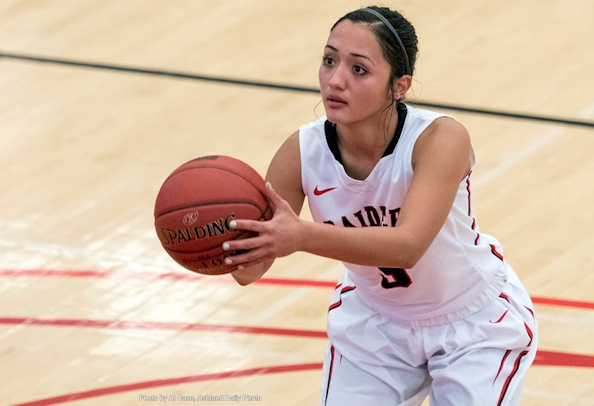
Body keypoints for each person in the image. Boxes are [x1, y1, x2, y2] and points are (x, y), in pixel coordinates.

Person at [221, 5, 538, 406]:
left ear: (400, 85)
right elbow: (250, 272)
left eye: (359, 69)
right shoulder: (301, 151)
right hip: (376, 326)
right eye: (329, 60)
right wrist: (221, 240)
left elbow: (407, 246)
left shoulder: (440, 138)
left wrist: (300, 236)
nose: (335, 80)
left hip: (473, 323)